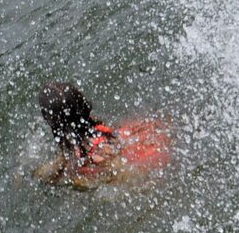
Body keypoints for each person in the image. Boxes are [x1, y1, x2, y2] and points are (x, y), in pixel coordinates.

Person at [34, 81, 172, 188]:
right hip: (147, 141)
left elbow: (127, 175)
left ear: (53, 122)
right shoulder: (97, 129)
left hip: (150, 161)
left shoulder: (87, 155)